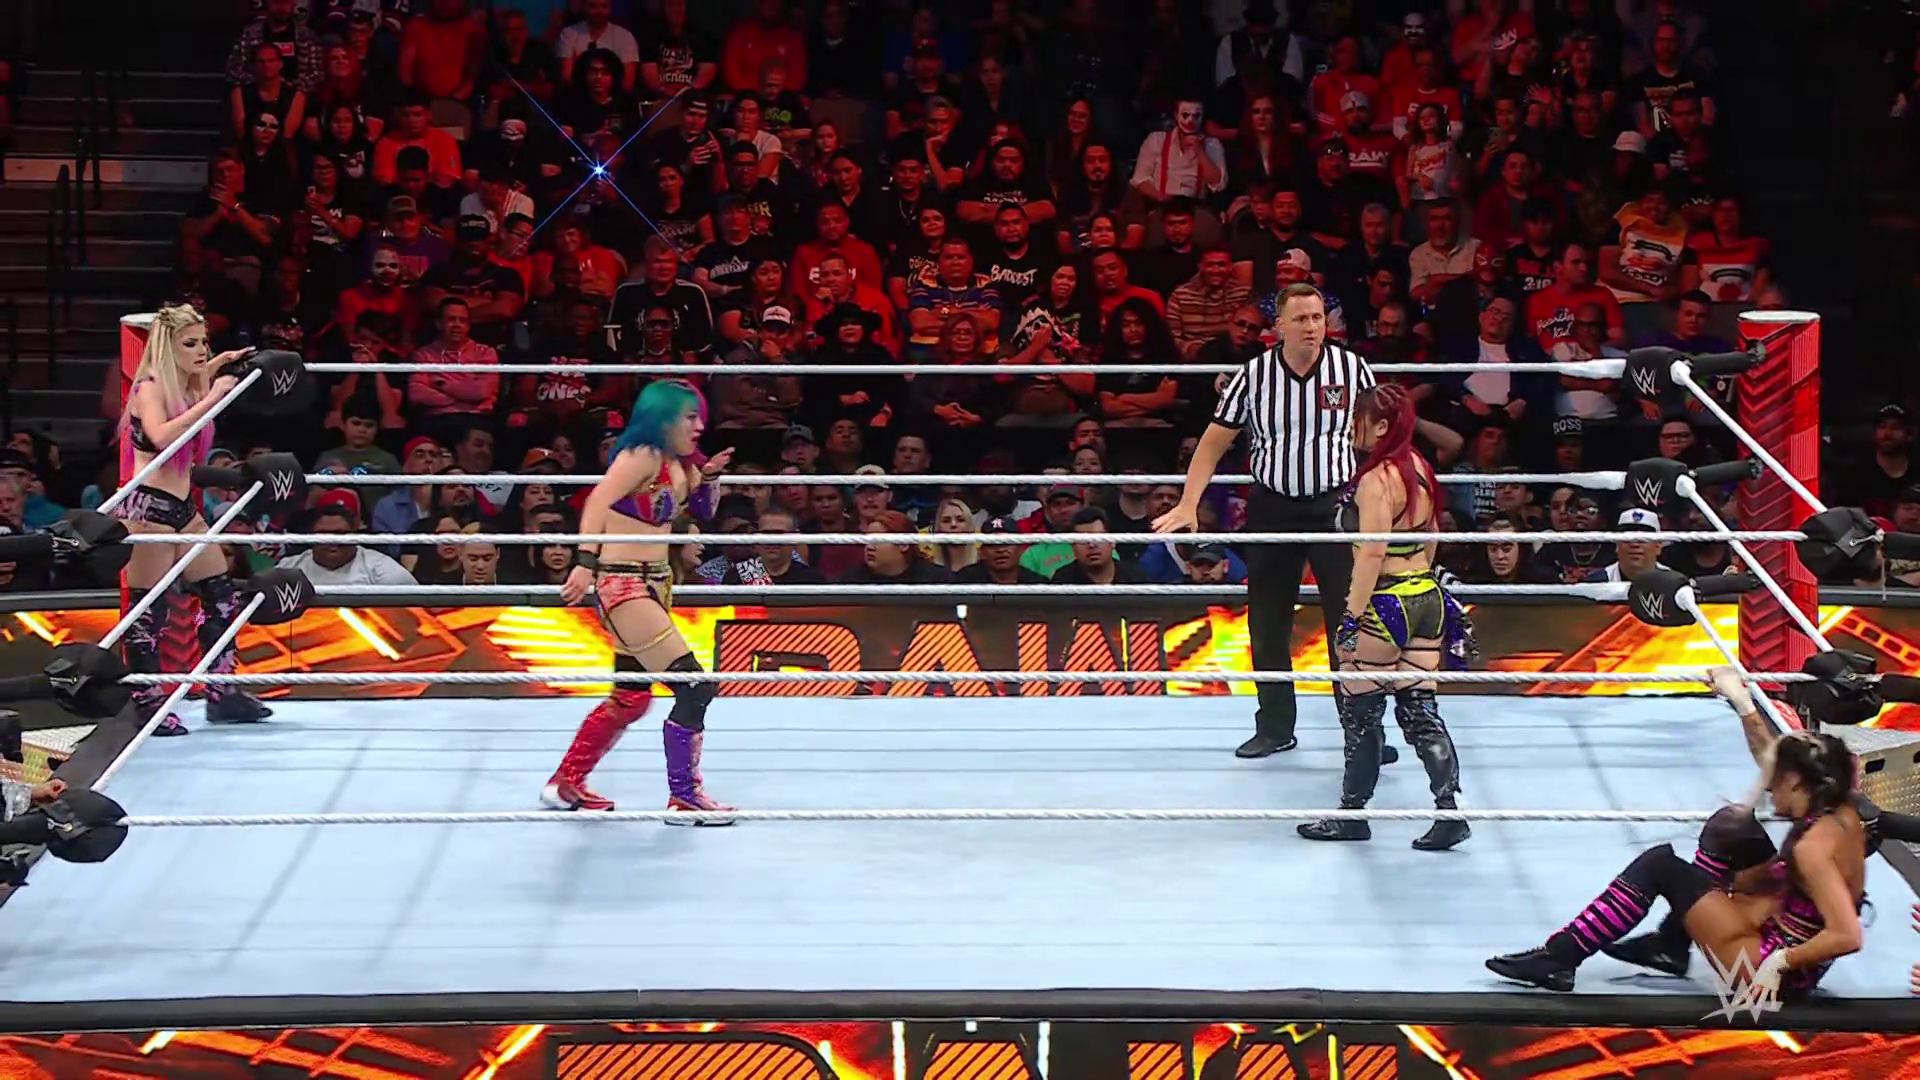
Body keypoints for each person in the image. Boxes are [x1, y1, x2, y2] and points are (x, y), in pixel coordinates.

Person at [1487, 667, 1874, 998]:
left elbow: (1848, 936)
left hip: (1767, 971)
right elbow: (1770, 756)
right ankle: (1671, 944)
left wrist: (1779, 962)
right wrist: (1742, 702)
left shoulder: (1813, 848)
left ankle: (1559, 958)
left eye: (1776, 782)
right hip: (1786, 932)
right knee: (1730, 825)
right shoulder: (1837, 805)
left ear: (1796, 781)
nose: (1769, 789)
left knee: (1660, 867)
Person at [1153, 283, 1392, 764]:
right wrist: (1188, 503)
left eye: (1317, 318)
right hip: (1272, 506)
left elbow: (1379, 436)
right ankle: (1275, 728)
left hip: (1334, 507)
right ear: (1279, 326)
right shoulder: (1253, 376)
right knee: (1266, 622)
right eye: (1300, 319)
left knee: (1349, 621)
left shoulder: (1352, 368)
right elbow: (1214, 441)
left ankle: (1363, 731)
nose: (1311, 327)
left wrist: (1386, 497)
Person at [548, 380, 736, 821]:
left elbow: (704, 512)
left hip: (657, 583)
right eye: (690, 417)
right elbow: (597, 502)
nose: (699, 425)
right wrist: (584, 562)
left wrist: (709, 478)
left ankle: (565, 783)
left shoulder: (680, 463)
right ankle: (684, 797)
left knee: (631, 698)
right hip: (624, 584)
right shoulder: (641, 456)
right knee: (695, 687)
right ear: (664, 418)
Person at [1299, 384, 1474, 851]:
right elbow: (1432, 533)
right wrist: (1421, 576)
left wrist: (1351, 617)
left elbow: (1372, 553)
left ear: (1380, 427)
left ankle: (1352, 814)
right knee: (1420, 710)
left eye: (1357, 420)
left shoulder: (1377, 479)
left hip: (1385, 603)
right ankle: (1450, 810)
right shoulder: (1419, 467)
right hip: (1425, 597)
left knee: (1362, 712)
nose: (1350, 428)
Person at [114, 304, 273, 736]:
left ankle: (221, 691)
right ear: (168, 348)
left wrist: (220, 365)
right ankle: (147, 703)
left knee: (222, 596)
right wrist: (215, 395)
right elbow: (163, 437)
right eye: (191, 344)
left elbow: (198, 383)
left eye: (204, 341)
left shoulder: (186, 383)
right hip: (149, 511)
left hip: (184, 510)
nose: (202, 350)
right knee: (149, 611)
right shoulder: (149, 388)